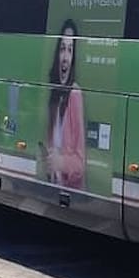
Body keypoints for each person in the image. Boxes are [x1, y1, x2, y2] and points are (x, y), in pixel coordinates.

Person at [45, 19, 86, 189]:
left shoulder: (75, 94)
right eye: (62, 49)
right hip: (53, 188)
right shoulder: (54, 97)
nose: (65, 57)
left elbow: (80, 163)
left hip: (70, 190)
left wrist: (60, 163)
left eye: (70, 50)